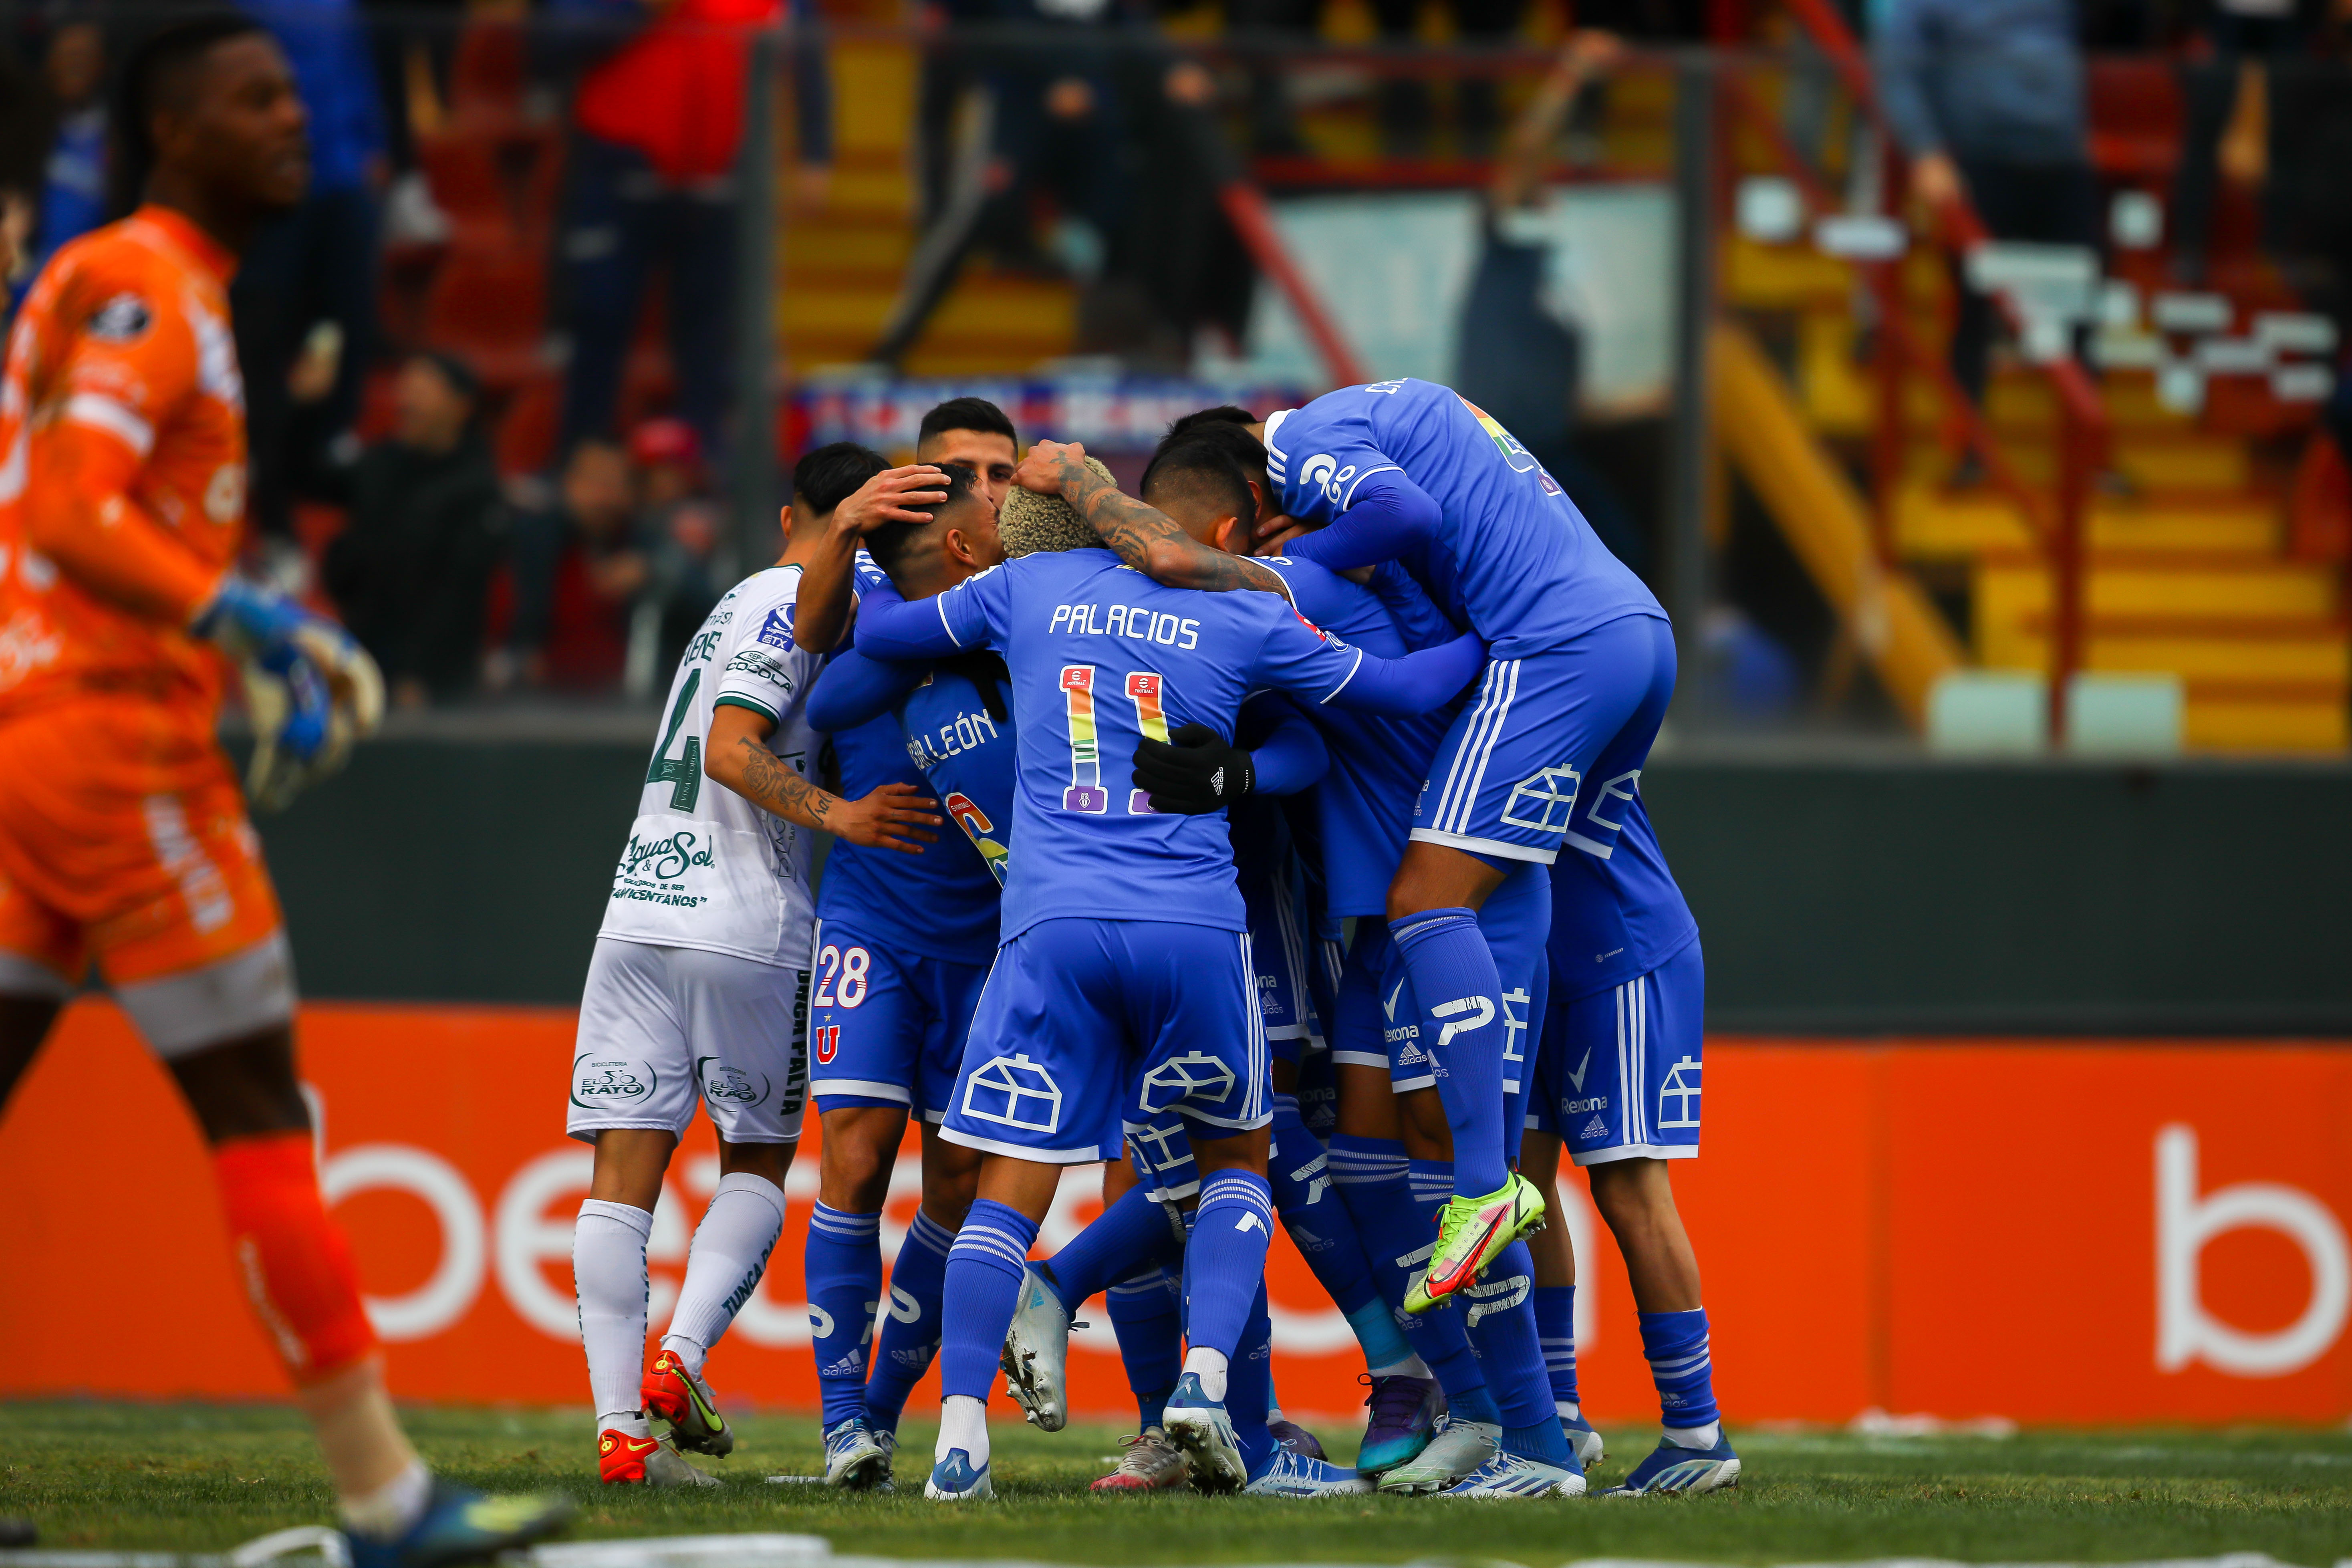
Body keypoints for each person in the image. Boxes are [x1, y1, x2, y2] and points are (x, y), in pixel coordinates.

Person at [0, 16, 566, 1564]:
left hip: (34, 732)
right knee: (255, 1105)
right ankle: (389, 1492)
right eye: (252, 99)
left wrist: (227, 629)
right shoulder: (146, 280)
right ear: (167, 128)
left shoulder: (138, 283)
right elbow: (64, 506)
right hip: (114, 749)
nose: (294, 119)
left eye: (289, 91)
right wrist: (238, 613)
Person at [853, 441, 1487, 1501]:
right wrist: (1505, 639)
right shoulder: (1242, 610)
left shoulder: (1025, 588)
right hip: (1193, 924)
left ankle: (959, 1432)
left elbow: (878, 636)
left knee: (1009, 1188)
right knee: (1240, 1160)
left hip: (1051, 927)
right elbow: (1399, 689)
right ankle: (1200, 1388)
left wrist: (853, 544)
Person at [566, 433, 944, 1487]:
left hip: (637, 904)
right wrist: (843, 816)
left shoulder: (732, 598)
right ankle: (676, 1363)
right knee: (759, 1163)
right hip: (746, 920)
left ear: (789, 518)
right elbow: (734, 750)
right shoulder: (815, 608)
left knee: (619, 1174)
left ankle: (618, 1435)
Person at [548, 0, 835, 460]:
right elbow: (554, 41)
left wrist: (816, 147)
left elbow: (805, 45)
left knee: (710, 341)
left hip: (718, 173)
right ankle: (577, 467)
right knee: (601, 322)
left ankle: (702, 476)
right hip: (618, 164)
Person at [1872, 0, 2100, 483]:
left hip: (2063, 161)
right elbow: (1900, 68)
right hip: (1980, 162)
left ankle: (2086, 463)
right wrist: (1926, 150)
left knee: (2081, 316)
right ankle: (1970, 453)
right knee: (1973, 316)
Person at [232, 0, 391, 540]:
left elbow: (358, 66)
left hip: (342, 176)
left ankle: (331, 433)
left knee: (346, 311)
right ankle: (264, 468)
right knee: (265, 328)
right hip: (275, 182)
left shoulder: (340, 7)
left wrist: (372, 142)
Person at [320, 351, 502, 707]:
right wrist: (309, 407)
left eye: (422, 389)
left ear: (460, 405)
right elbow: (305, 477)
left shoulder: (478, 487)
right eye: (404, 389)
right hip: (364, 660)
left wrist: (420, 675)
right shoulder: (381, 465)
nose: (406, 400)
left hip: (435, 681)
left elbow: (459, 594)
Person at [499, 438, 645, 691]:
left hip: (622, 707)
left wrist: (655, 570)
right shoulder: (531, 544)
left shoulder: (639, 544)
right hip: (535, 705)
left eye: (618, 484)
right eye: (597, 481)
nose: (607, 497)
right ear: (567, 482)